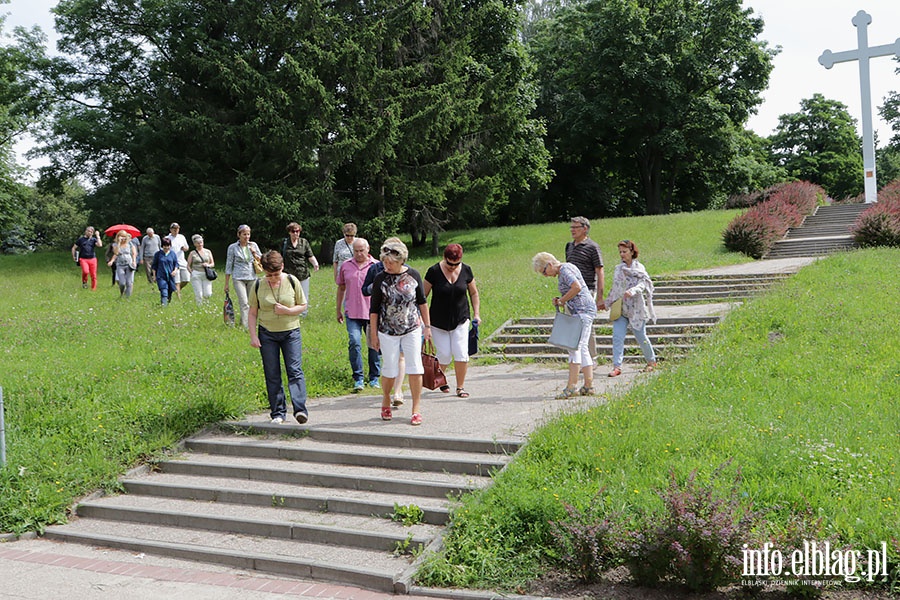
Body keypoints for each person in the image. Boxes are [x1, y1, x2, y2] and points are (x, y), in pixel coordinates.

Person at [369, 238, 431, 425]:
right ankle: (386, 398)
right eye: (384, 261)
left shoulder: (413, 275)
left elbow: (422, 302)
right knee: (389, 368)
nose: (386, 265)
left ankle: (416, 409)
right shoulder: (380, 278)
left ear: (401, 261)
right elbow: (374, 309)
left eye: (391, 262)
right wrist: (373, 335)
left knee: (415, 367)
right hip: (387, 330)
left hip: (411, 327)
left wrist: (427, 327)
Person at [249, 251, 309, 425]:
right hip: (267, 333)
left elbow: (303, 305)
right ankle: (278, 412)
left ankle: (300, 410)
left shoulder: (292, 281)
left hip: (291, 332)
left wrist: (288, 311)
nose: (273, 278)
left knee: (294, 370)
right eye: (269, 275)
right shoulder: (258, 285)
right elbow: (252, 313)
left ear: (282, 267)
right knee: (272, 373)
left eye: (276, 274)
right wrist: (253, 336)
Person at [533, 251, 597, 398]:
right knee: (582, 348)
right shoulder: (568, 267)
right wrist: (562, 299)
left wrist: (562, 300)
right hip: (585, 310)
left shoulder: (565, 270)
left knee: (573, 347)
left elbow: (577, 287)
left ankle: (572, 387)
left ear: (550, 264)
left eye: (544, 271)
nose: (545, 275)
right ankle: (588, 385)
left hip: (582, 311)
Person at [423, 243, 481, 398]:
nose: (453, 267)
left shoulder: (467, 270)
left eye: (456, 264)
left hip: (461, 318)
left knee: (461, 352)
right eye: (450, 264)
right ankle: (440, 379)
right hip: (437, 321)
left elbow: (473, 293)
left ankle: (460, 387)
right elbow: (422, 297)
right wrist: (423, 322)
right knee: (444, 355)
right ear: (444, 258)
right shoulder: (433, 271)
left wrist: (477, 314)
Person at [600, 240, 657, 377]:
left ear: (632, 252)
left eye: (624, 251)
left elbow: (644, 283)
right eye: (620, 252)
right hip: (621, 308)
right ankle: (617, 366)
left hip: (636, 308)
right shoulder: (618, 269)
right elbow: (615, 288)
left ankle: (651, 361)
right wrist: (606, 303)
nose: (622, 255)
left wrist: (633, 290)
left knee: (640, 336)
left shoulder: (639, 268)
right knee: (617, 337)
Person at [362, 237, 406, 407]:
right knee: (389, 359)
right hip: (381, 319)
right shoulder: (375, 269)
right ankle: (387, 392)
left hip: (402, 322)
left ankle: (398, 391)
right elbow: (364, 290)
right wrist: (375, 286)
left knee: (401, 357)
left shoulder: (407, 271)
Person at [336, 237, 380, 392]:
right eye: (356, 251)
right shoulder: (346, 266)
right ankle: (358, 378)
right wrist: (338, 310)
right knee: (354, 342)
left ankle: (374, 377)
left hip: (371, 313)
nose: (359, 253)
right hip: (352, 312)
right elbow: (341, 288)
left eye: (362, 250)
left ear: (368, 249)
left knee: (373, 345)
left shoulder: (376, 266)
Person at [224, 224, 263, 329]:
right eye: (244, 234)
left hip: (252, 277)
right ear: (239, 235)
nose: (247, 236)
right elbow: (229, 265)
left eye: (248, 234)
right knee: (244, 302)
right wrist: (226, 283)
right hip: (238, 277)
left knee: (252, 302)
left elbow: (262, 260)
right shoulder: (233, 247)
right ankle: (247, 327)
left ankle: (245, 321)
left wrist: (254, 253)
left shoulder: (253, 245)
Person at [565, 216, 605, 310]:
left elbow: (600, 272)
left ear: (585, 229)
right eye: (571, 227)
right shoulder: (569, 246)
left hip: (587, 290)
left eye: (575, 227)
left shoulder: (592, 247)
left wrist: (600, 297)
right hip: (571, 291)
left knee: (583, 321)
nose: (572, 230)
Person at [282, 222, 319, 315]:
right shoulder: (284, 243)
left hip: (302, 273)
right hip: (288, 274)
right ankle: (291, 312)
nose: (296, 233)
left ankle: (303, 314)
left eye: (298, 231)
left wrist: (315, 263)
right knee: (289, 294)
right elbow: (279, 256)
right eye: (293, 231)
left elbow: (310, 255)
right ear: (289, 232)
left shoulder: (304, 242)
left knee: (303, 295)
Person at [107, 231, 138, 298]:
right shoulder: (115, 245)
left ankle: (127, 297)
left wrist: (134, 261)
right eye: (121, 236)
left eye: (124, 236)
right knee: (122, 283)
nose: (123, 238)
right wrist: (111, 261)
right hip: (120, 265)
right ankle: (122, 294)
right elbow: (116, 253)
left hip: (129, 264)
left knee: (129, 283)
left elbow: (134, 253)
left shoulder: (130, 244)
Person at [187, 234, 215, 305]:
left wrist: (208, 265)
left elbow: (212, 263)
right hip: (196, 274)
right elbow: (188, 265)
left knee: (208, 293)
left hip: (206, 274)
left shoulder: (208, 252)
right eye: (198, 243)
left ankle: (206, 306)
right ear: (194, 244)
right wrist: (191, 272)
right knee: (199, 294)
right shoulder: (192, 253)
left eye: (201, 242)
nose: (200, 244)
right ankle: (199, 307)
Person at [150, 236, 179, 305]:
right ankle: (164, 305)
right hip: (161, 276)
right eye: (164, 246)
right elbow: (154, 266)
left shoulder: (172, 254)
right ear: (162, 246)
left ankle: (166, 303)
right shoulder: (158, 254)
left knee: (170, 291)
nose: (166, 247)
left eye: (168, 246)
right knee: (164, 291)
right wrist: (154, 276)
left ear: (170, 246)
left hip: (170, 276)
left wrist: (175, 271)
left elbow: (176, 264)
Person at [167, 222, 191, 291]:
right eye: (174, 229)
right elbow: (163, 250)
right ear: (170, 229)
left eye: (177, 229)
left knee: (186, 279)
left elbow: (187, 248)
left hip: (182, 261)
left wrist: (184, 248)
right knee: (176, 281)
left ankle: (176, 289)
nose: (176, 230)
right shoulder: (167, 238)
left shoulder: (181, 237)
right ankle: (178, 299)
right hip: (172, 262)